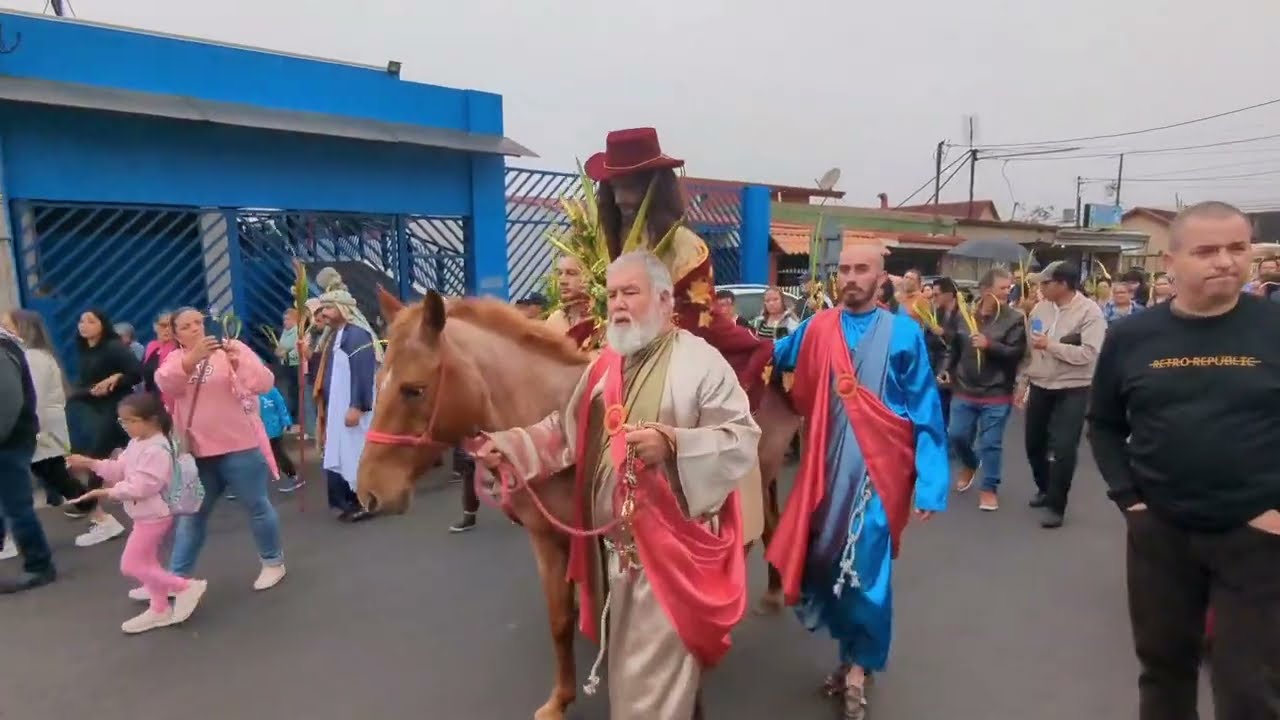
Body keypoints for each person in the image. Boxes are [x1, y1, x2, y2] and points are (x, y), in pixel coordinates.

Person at [473, 251, 759, 719]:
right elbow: (565, 432)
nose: (618, 304)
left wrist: (674, 444)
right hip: (617, 555)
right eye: (611, 295)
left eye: (631, 292)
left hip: (675, 555)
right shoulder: (605, 365)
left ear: (666, 300)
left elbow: (741, 439)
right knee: (639, 675)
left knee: (644, 697)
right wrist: (511, 445)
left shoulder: (703, 363)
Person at [1087, 201, 1280, 719]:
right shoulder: (1132, 336)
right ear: (1170, 263)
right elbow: (1104, 423)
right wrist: (1131, 501)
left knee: (1248, 684)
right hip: (1160, 534)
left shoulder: (1273, 326)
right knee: (1164, 670)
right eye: (1207, 250)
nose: (1225, 261)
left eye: (1237, 248)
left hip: (1257, 536)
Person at [765, 244, 948, 720]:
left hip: (879, 475)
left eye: (860, 269)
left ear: (880, 277)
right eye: (843, 268)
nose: (850, 276)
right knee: (826, 567)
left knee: (867, 570)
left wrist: (930, 483)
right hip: (823, 475)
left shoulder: (905, 334)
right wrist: (714, 333)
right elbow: (773, 358)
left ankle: (859, 669)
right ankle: (849, 655)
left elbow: (926, 411)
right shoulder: (817, 327)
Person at [588, 127, 774, 409]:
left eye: (632, 187)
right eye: (616, 187)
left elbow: (693, 311)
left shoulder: (686, 246)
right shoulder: (603, 239)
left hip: (665, 339)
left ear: (655, 187)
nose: (621, 199)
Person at [154, 307, 286, 593]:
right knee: (192, 516)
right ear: (176, 334)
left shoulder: (231, 349)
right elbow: (166, 384)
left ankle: (273, 561)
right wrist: (192, 359)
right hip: (198, 452)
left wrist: (241, 363)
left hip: (240, 445)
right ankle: (176, 577)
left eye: (198, 323)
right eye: (186, 326)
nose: (195, 329)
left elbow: (264, 383)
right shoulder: (176, 359)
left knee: (256, 505)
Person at [64, 393, 208, 633]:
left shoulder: (158, 448)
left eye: (130, 421)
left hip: (154, 516)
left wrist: (108, 493)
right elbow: (120, 469)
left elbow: (144, 486)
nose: (126, 426)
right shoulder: (138, 443)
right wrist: (91, 464)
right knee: (148, 562)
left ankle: (183, 587)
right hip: (145, 514)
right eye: (122, 422)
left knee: (131, 565)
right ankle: (159, 608)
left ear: (151, 419)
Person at [0, 310, 122, 556]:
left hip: (37, 432)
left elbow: (31, 398)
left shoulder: (32, 357)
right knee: (54, 480)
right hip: (39, 431)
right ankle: (101, 518)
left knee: (53, 480)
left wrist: (28, 430)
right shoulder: (34, 355)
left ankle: (102, 519)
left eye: (6, 325)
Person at [1017, 261, 1106, 528]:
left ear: (1063, 284)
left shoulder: (1090, 313)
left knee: (1065, 447)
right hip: (1041, 383)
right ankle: (1045, 488)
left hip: (1073, 387)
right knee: (1034, 443)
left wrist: (1052, 346)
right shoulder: (1041, 308)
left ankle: (1057, 505)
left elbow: (1089, 354)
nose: (1040, 288)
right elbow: (1030, 350)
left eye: (1046, 283)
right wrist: (1023, 380)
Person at [944, 268, 1026, 511]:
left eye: (1009, 288)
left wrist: (990, 345)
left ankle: (989, 487)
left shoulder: (1014, 318)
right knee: (956, 436)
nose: (1007, 292)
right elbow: (954, 348)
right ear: (985, 290)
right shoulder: (964, 316)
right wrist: (946, 368)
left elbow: (1016, 353)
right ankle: (970, 463)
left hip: (997, 391)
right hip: (964, 387)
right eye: (1002, 288)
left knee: (991, 442)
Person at [67, 308, 137, 545]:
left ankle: (89, 506)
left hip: (120, 410)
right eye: (81, 320)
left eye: (90, 321)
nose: (83, 325)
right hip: (101, 410)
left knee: (97, 457)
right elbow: (87, 385)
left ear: (102, 325)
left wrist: (116, 379)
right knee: (135, 454)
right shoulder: (85, 351)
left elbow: (135, 374)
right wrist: (82, 393)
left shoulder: (114, 347)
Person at [314, 285, 380, 523]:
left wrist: (358, 406)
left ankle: (364, 500)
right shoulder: (337, 335)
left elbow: (363, 374)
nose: (325, 312)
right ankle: (347, 501)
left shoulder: (357, 335)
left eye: (330, 307)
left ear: (344, 308)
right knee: (342, 453)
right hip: (338, 408)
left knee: (356, 453)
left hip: (353, 409)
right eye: (324, 308)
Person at [0, 323, 57, 594]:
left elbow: (6, 404)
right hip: (10, 439)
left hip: (8, 442)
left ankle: (39, 565)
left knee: (16, 505)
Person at [258, 385, 300, 492]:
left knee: (278, 454)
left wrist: (286, 422)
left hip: (273, 429)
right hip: (260, 430)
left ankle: (293, 476)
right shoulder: (251, 392)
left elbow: (281, 406)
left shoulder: (271, 390)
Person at [140, 311, 178, 401]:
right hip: (151, 400)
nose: (168, 329)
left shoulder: (179, 348)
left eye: (171, 326)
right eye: (163, 325)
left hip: (171, 401)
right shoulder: (151, 346)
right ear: (155, 326)